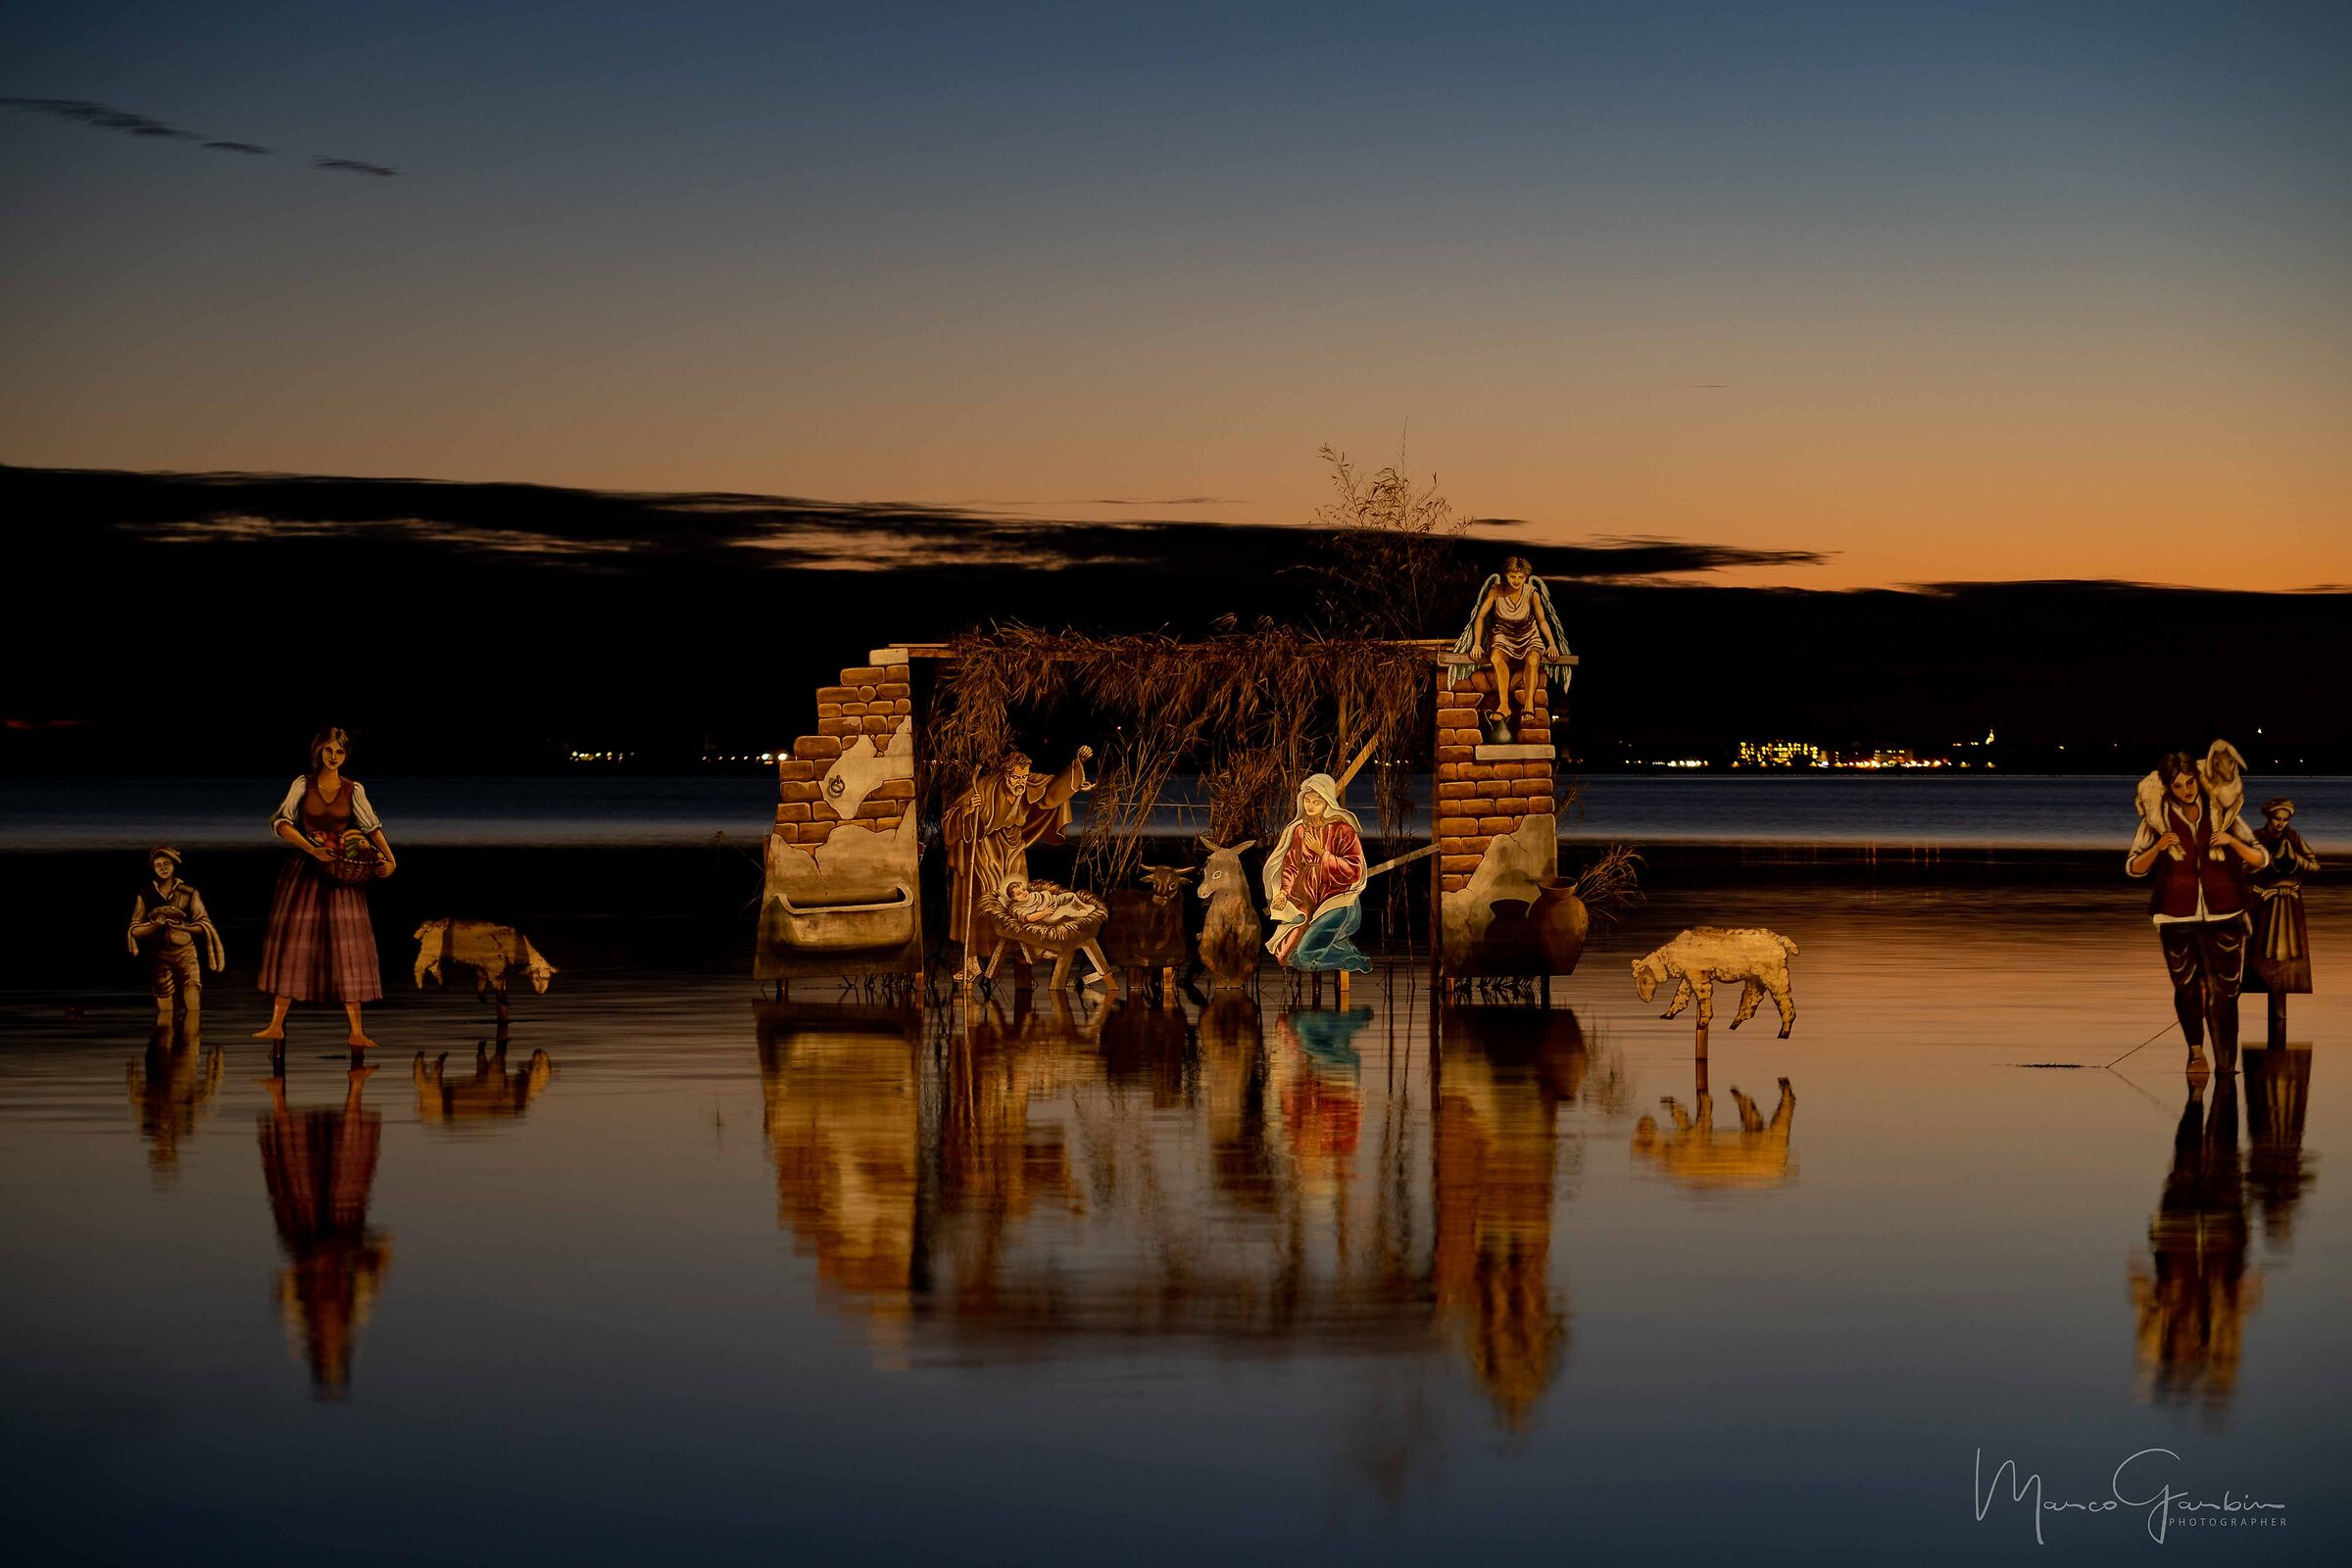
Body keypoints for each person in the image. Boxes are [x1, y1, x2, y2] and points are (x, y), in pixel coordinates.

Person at [255, 728, 397, 1050]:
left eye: (340, 752)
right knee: (294, 944)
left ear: (345, 756)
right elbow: (282, 823)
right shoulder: (302, 785)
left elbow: (371, 827)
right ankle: (276, 1024)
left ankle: (356, 1030)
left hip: (341, 877)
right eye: (328, 750)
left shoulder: (353, 789)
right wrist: (311, 848)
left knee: (350, 949)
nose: (333, 757)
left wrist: (390, 859)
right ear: (318, 751)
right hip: (305, 872)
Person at [2126, 751, 2268, 1064]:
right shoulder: (2156, 820)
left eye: (2190, 782)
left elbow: (2260, 858)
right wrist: (2158, 847)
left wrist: (2231, 842)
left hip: (2226, 914)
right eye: (2178, 786)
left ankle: (2227, 1064)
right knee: (2186, 987)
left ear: (2198, 781)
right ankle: (2196, 1052)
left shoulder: (2224, 815)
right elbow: (2134, 867)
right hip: (2175, 916)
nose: (2187, 790)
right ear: (2168, 788)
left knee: (2227, 993)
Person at [942, 747, 1093, 981]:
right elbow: (952, 817)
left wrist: (1075, 774)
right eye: (1016, 777)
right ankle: (971, 960)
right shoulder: (983, 786)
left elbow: (1052, 790)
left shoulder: (1027, 783)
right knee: (985, 899)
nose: (1020, 782)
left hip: (1012, 847)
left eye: (1023, 777)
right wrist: (969, 810)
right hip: (985, 849)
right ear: (1005, 775)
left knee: (1022, 897)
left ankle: (1032, 946)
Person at [1262, 772, 1373, 973]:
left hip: (1338, 903)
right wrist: (1284, 891)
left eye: (1317, 801)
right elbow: (1292, 865)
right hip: (1308, 899)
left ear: (1328, 802)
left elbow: (1354, 871)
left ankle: (1356, 960)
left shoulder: (1343, 830)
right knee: (1286, 955)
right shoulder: (1300, 830)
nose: (1310, 805)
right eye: (1307, 800)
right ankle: (1346, 953)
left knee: (1302, 958)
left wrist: (1322, 853)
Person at [1449, 557, 1571, 723]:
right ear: (1506, 575)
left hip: (1528, 636)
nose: (1517, 581)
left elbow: (1542, 620)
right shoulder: (1495, 590)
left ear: (1526, 577)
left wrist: (1552, 644)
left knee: (1533, 660)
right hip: (1503, 636)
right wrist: (1477, 643)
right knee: (1495, 658)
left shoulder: (1531, 593)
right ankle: (1504, 705)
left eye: (1521, 577)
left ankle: (1529, 704)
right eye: (1513, 576)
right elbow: (1480, 617)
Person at [125, 845, 224, 1039]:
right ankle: (164, 1049)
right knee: (165, 1010)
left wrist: (183, 927)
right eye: (158, 865)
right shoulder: (145, 895)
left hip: (186, 953)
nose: (163, 868)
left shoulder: (189, 892)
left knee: (193, 997)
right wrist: (153, 926)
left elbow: (203, 923)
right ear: (153, 868)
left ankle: (191, 1043)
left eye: (167, 864)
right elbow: (135, 929)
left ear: (174, 865)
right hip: (158, 956)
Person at [2243, 797, 2319, 1042]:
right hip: (2264, 904)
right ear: (2269, 817)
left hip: (2289, 905)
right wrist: (2265, 865)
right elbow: (2243, 866)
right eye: (2278, 819)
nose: (2281, 824)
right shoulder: (2256, 838)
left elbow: (2314, 866)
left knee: (2286, 961)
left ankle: (2279, 1020)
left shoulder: (2294, 838)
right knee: (2263, 958)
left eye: (2285, 820)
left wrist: (2295, 860)